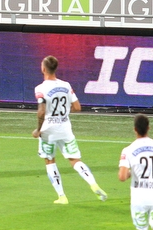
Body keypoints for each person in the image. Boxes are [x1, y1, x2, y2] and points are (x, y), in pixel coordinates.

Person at [33, 56, 107, 205]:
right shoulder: (66, 85)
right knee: (75, 160)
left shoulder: (40, 88)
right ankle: (93, 183)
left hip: (48, 130)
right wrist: (63, 113)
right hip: (65, 129)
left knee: (49, 161)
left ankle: (62, 196)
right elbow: (77, 107)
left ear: (43, 68)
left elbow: (41, 111)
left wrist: (38, 130)